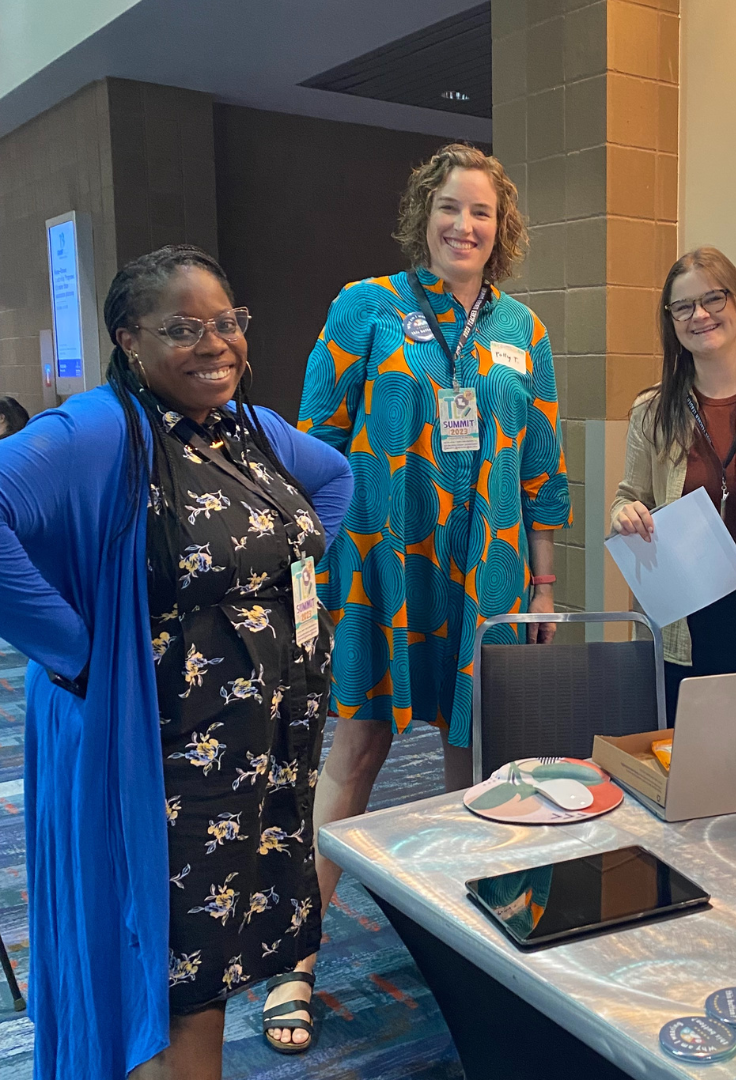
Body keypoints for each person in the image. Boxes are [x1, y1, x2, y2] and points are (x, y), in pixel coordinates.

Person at [0, 246, 352, 1074]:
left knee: (214, 962)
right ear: (130, 340)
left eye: (226, 323)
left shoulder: (249, 430)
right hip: (165, 757)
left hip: (260, 753)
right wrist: (76, 651)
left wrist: (274, 579)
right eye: (184, 329)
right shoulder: (100, 429)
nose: (215, 345)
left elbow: (333, 482)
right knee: (179, 979)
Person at [297, 144, 569, 992]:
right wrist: (324, 574)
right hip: (382, 563)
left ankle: (473, 956)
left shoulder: (524, 330)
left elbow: (543, 470)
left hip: (486, 570)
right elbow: (316, 446)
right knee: (359, 747)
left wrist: (545, 583)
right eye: (450, 207)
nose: (465, 224)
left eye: (482, 211)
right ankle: (293, 957)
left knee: (475, 760)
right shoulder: (364, 308)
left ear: (502, 228)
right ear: (424, 217)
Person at [610, 248, 736, 719]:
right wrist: (624, 514)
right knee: (684, 768)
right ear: (671, 321)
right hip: (683, 629)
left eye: (713, 299)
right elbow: (629, 497)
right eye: (682, 307)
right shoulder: (652, 410)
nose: (699, 315)